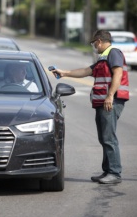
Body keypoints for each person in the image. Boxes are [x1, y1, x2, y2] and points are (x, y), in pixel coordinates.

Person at [51, 30, 129, 184]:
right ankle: (107, 171)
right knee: (103, 137)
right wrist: (64, 73)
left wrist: (110, 96)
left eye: (94, 43)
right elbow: (86, 71)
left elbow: (118, 74)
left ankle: (114, 172)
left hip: (110, 102)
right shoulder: (103, 58)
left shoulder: (113, 53)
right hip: (102, 102)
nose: (94, 46)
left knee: (109, 137)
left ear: (99, 41)